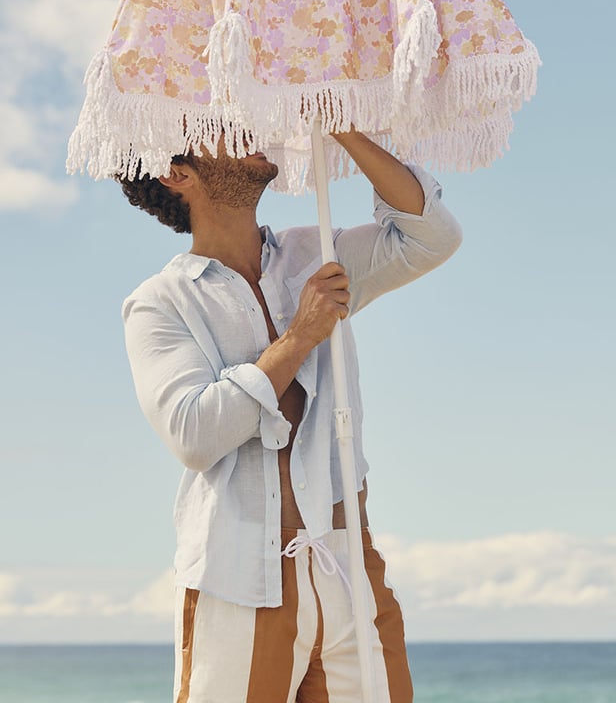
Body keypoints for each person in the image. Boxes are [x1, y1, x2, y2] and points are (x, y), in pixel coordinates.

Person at [119, 129, 462, 703]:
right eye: (217, 129)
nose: (247, 130)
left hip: (349, 562)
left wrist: (342, 126)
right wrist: (300, 336)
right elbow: (193, 434)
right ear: (177, 174)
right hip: (239, 576)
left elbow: (432, 237)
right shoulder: (160, 301)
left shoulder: (316, 252)